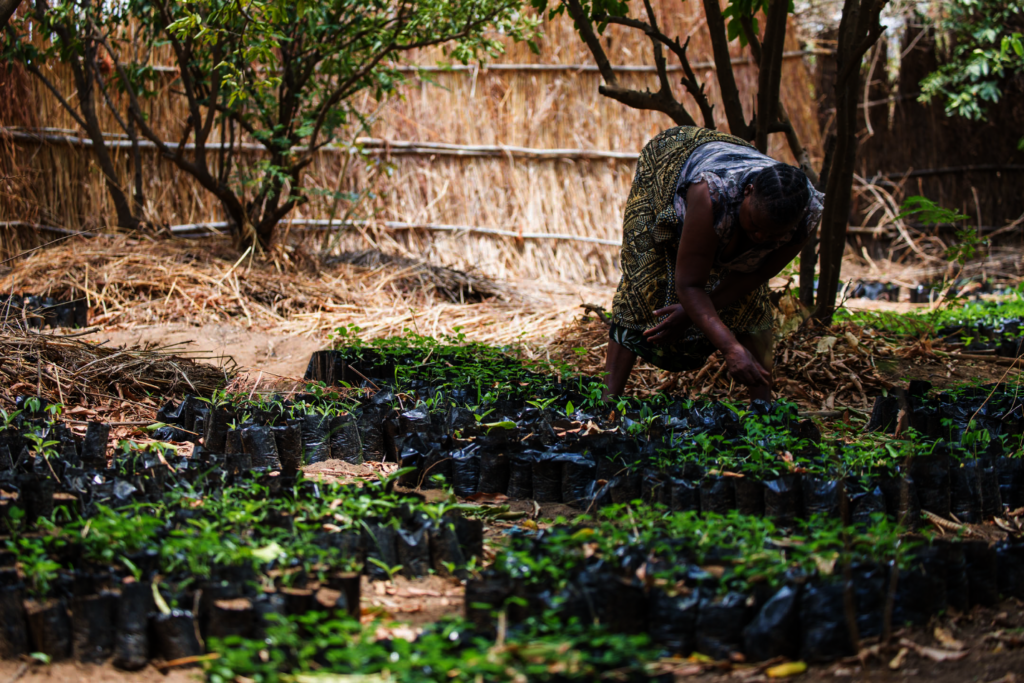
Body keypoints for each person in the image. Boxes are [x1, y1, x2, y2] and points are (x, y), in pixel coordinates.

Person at [605, 126, 824, 401]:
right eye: (755, 225)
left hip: (723, 170)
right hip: (671, 158)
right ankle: (606, 404)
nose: (760, 238)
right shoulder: (710, 195)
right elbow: (689, 284)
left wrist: (691, 314)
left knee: (751, 304)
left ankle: (763, 410)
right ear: (748, 191)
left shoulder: (806, 214)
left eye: (773, 236)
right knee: (643, 285)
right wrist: (729, 347)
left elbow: (760, 272)